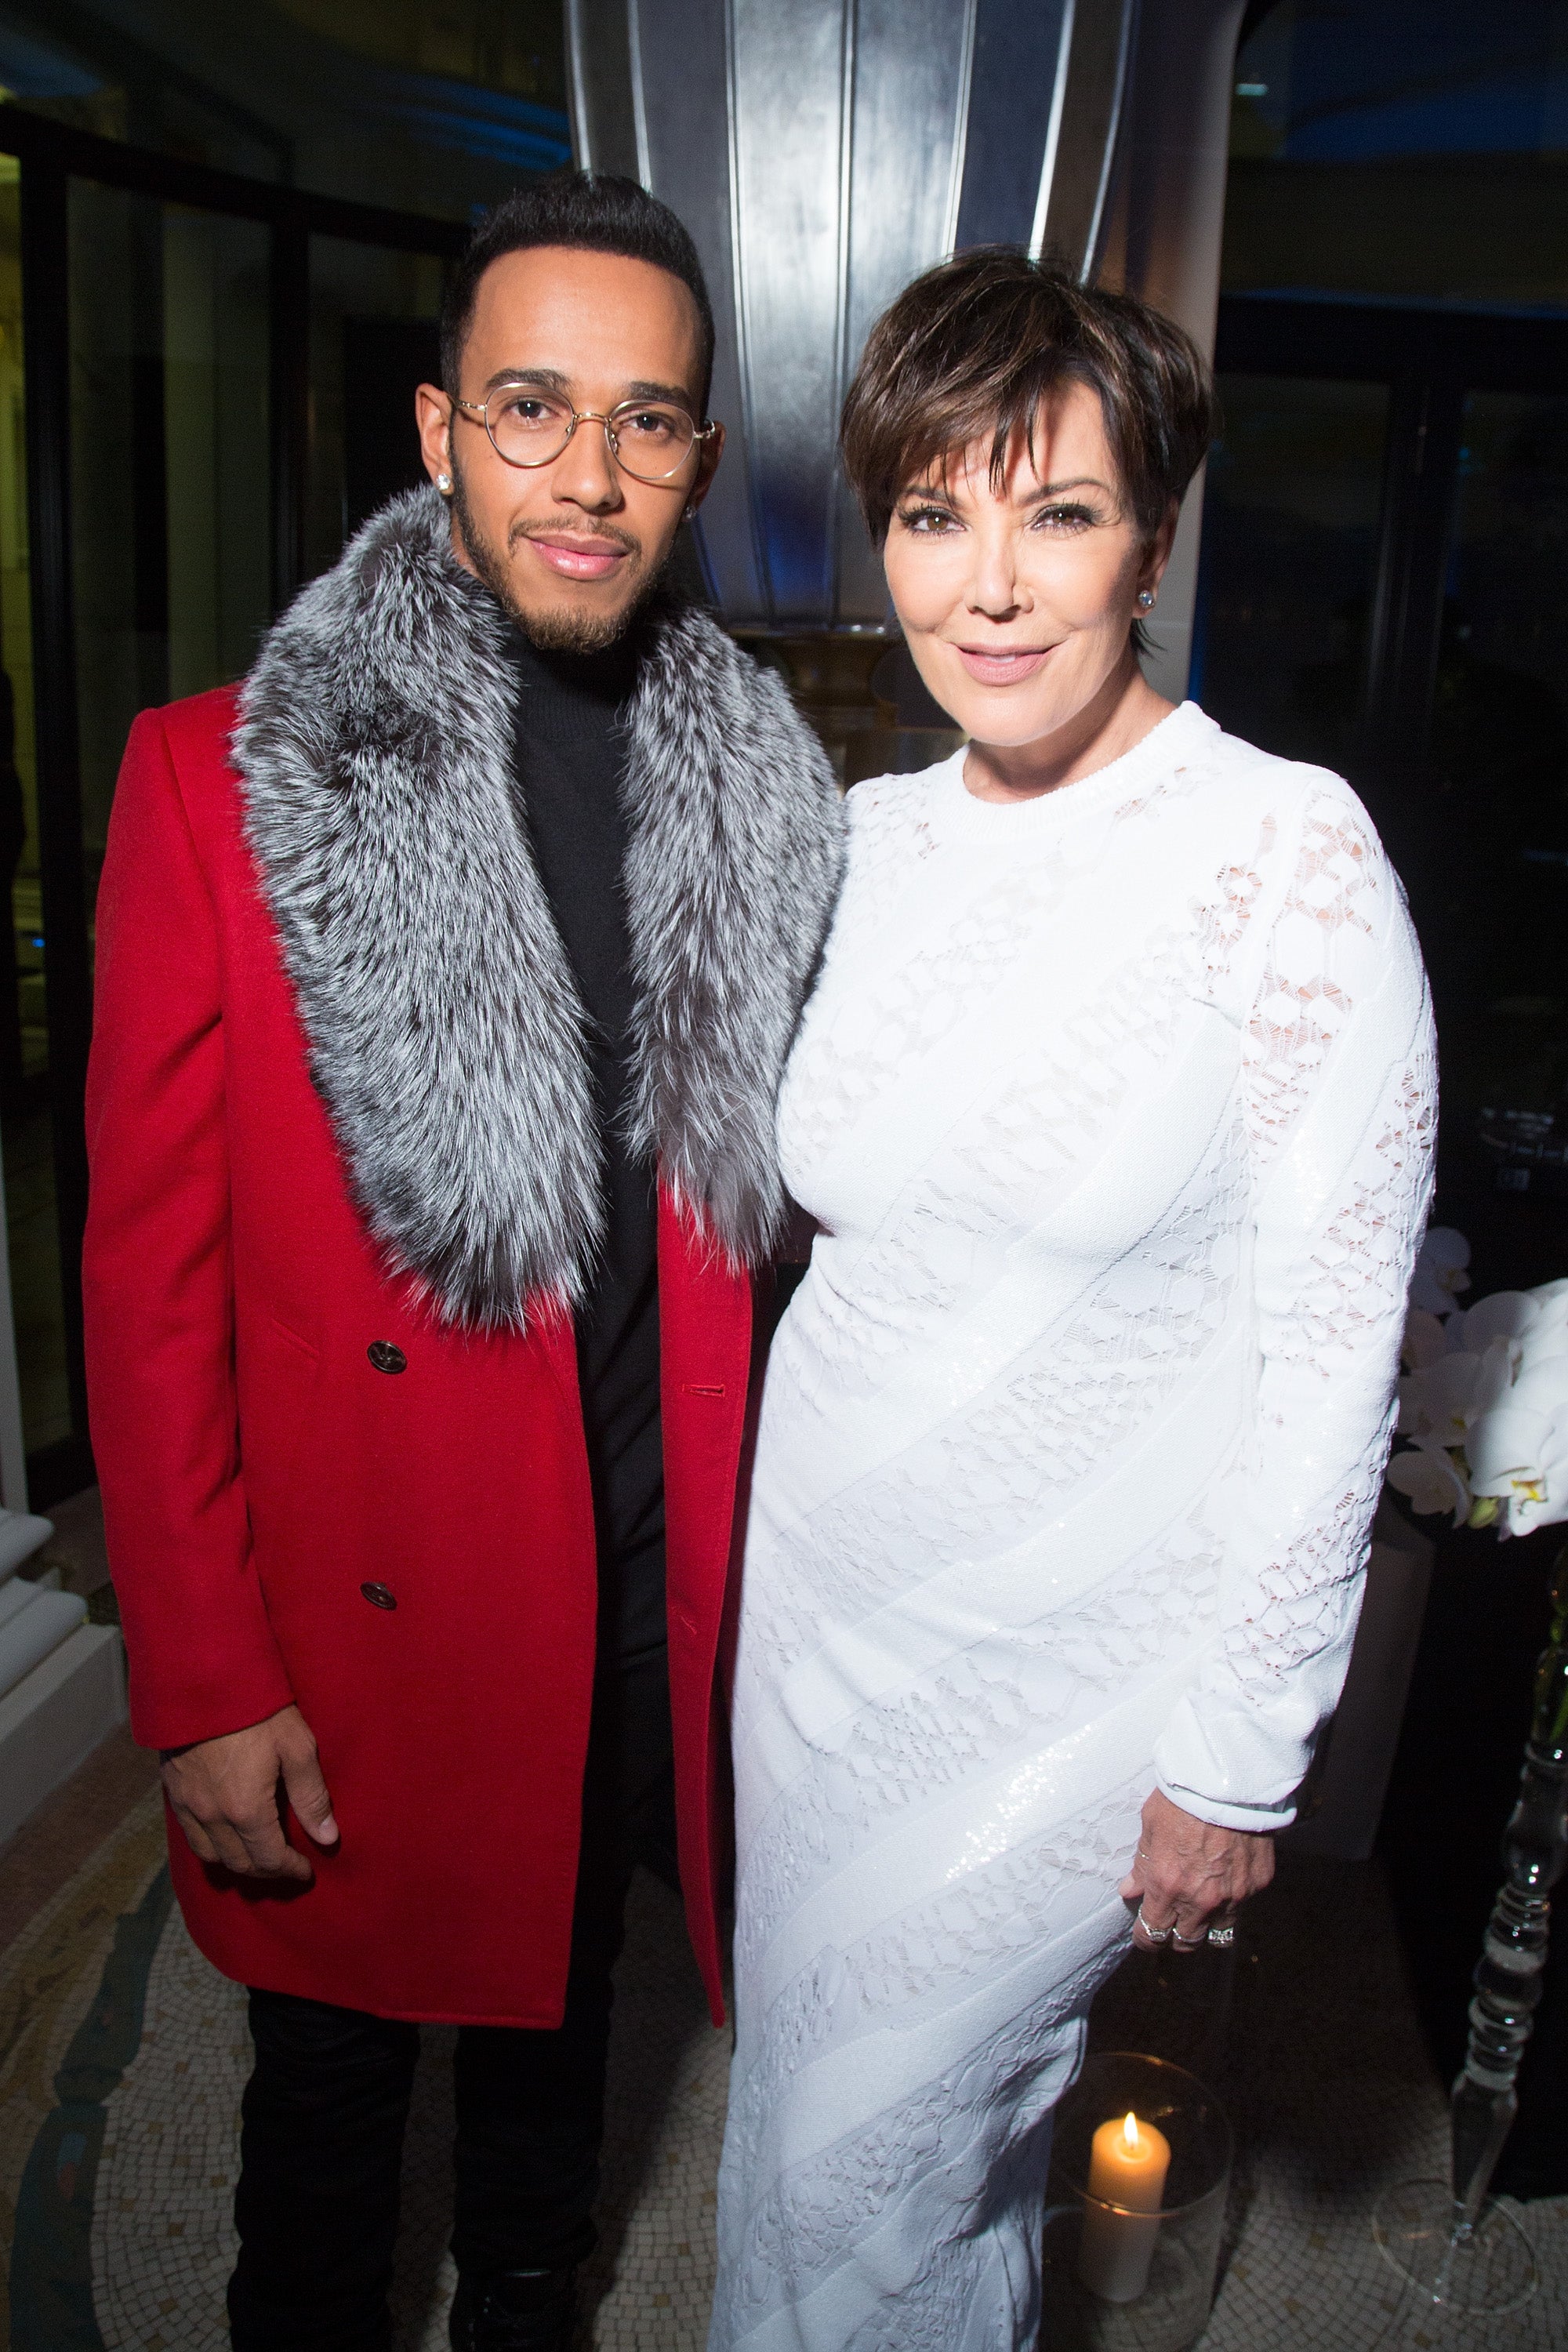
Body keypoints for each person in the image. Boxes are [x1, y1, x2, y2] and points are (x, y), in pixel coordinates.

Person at [82, 171, 842, 2352]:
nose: (589, 475)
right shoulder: (221, 781)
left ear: (698, 456)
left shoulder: (774, 808)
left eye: (648, 420)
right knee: (323, 2123)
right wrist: (203, 1680)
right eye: (532, 407)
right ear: (439, 430)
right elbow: (145, 1288)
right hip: (357, 1611)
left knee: (556, 2067)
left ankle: (527, 2296)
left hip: (628, 1595)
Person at [710, 250, 1436, 2351]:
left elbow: (1332, 1351)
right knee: (817, 2144)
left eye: (1062, 512)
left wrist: (1241, 1753)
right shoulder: (860, 843)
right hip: (819, 1636)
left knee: (873, 2164)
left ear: (1155, 537)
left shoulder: (1285, 859)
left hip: (1071, 1679)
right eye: (936, 515)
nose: (994, 588)